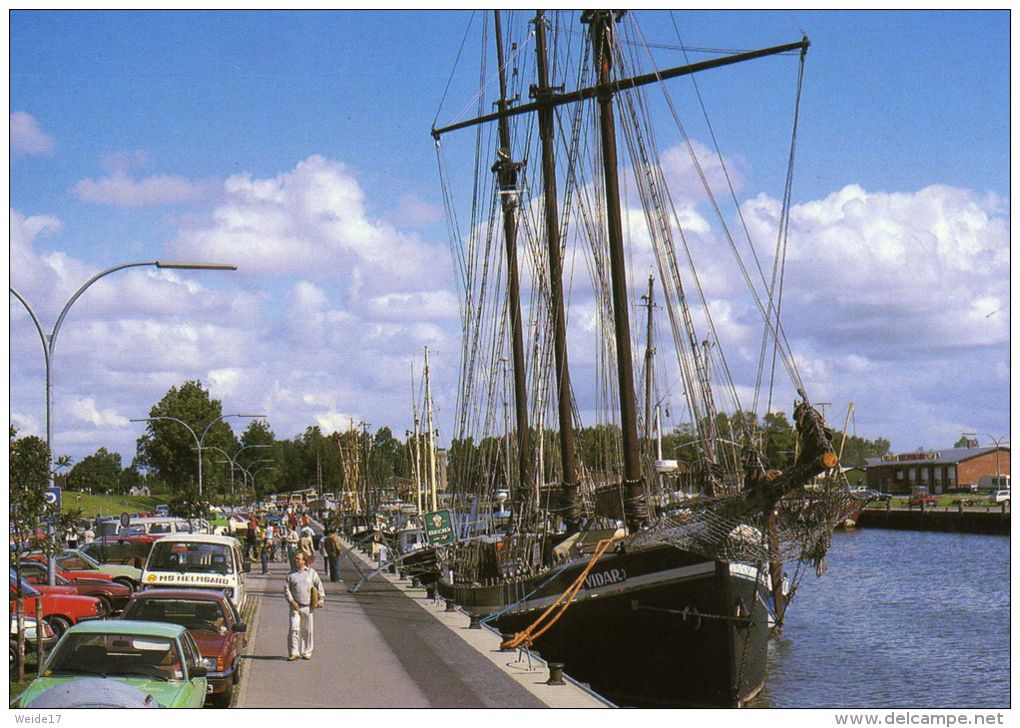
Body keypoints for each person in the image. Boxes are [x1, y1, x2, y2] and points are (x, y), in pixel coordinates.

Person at [283, 552, 324, 661]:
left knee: (307, 630)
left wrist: (320, 599)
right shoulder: (291, 575)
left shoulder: (311, 573)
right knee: (294, 628)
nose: (296, 561)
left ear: (304, 561)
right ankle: (294, 652)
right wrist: (292, 602)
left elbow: (319, 586)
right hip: (295, 606)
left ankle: (307, 651)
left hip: (308, 606)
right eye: (295, 559)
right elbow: (286, 590)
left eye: (298, 559)